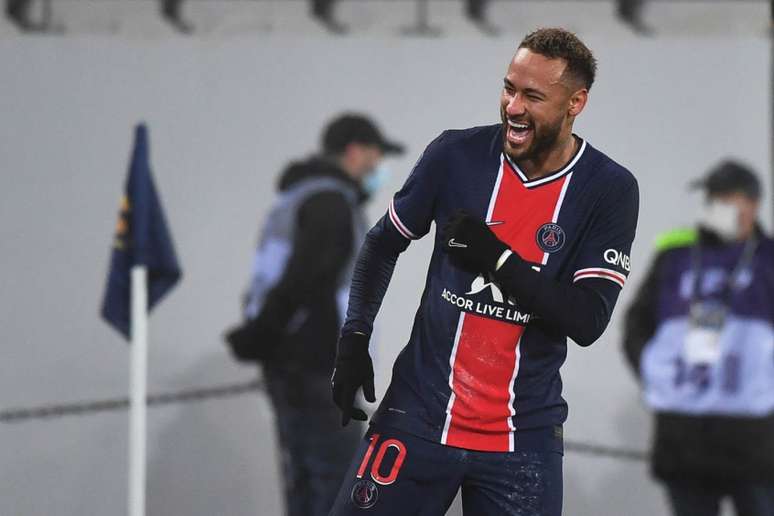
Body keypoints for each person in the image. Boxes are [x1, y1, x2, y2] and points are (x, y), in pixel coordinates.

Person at [329, 28, 639, 515]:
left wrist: (498, 261)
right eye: (509, 88)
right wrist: (354, 336)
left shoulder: (609, 189)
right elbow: (380, 245)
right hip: (417, 416)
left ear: (575, 102)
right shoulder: (455, 156)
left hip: (523, 440)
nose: (513, 107)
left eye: (533, 96)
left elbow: (586, 320)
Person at [224, 113, 404, 516]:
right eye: (375, 156)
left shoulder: (301, 197)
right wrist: (262, 335)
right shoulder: (330, 203)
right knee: (336, 490)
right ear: (355, 152)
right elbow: (307, 279)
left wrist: (259, 337)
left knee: (306, 486)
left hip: (295, 365)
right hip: (318, 367)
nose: (378, 168)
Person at [623, 160, 774, 516]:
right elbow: (637, 324)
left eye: (726, 197)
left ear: (752, 204)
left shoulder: (768, 260)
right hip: (685, 441)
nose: (715, 204)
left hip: (755, 442)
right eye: (712, 197)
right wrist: (656, 374)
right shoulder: (676, 256)